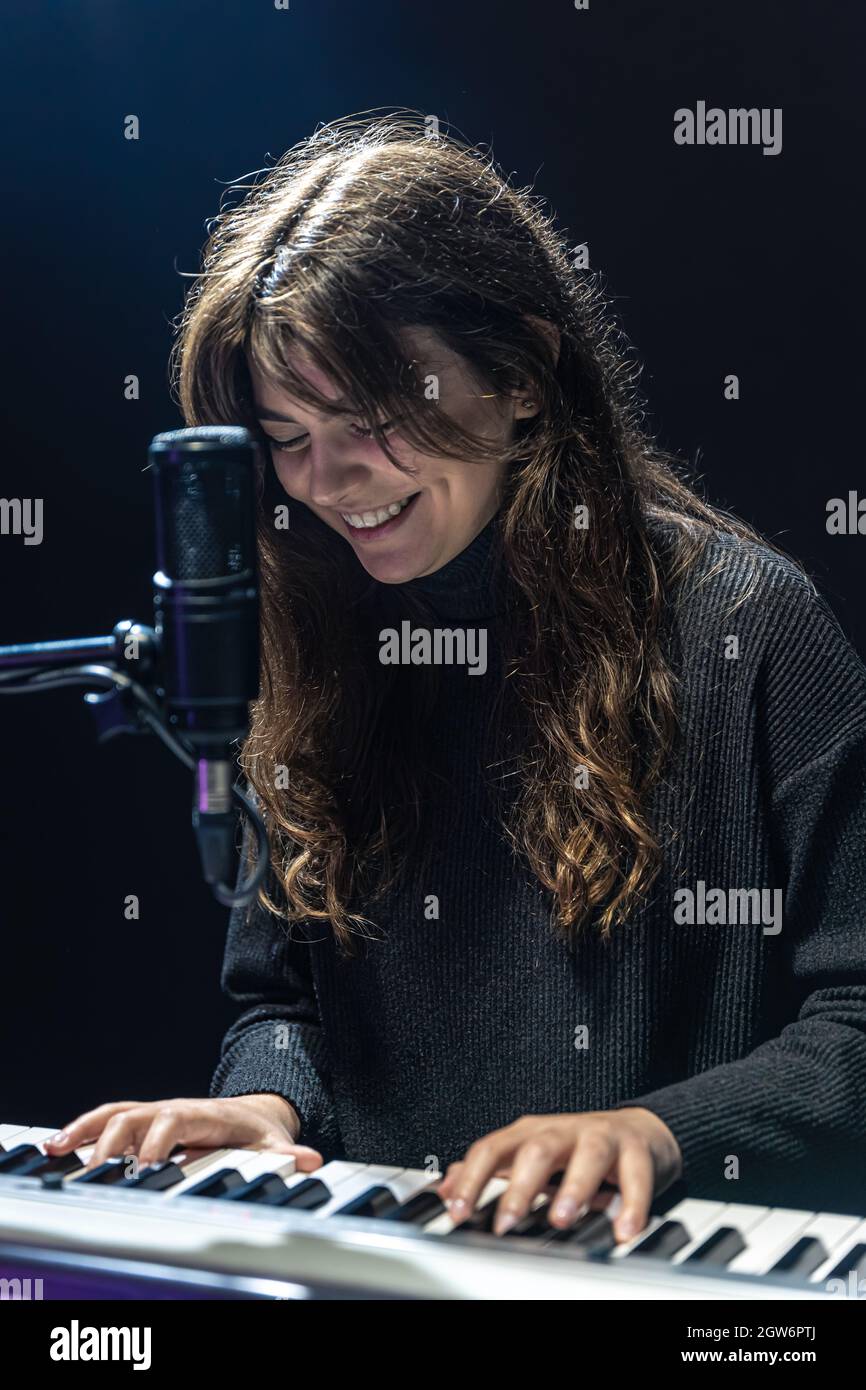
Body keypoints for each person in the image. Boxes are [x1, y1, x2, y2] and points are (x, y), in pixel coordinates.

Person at [46, 113, 866, 1243]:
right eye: (287, 436)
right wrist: (265, 1098)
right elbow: (282, 1000)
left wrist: (657, 1129)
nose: (329, 481)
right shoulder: (305, 644)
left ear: (521, 376)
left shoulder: (750, 627)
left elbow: (856, 1016)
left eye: (374, 419)